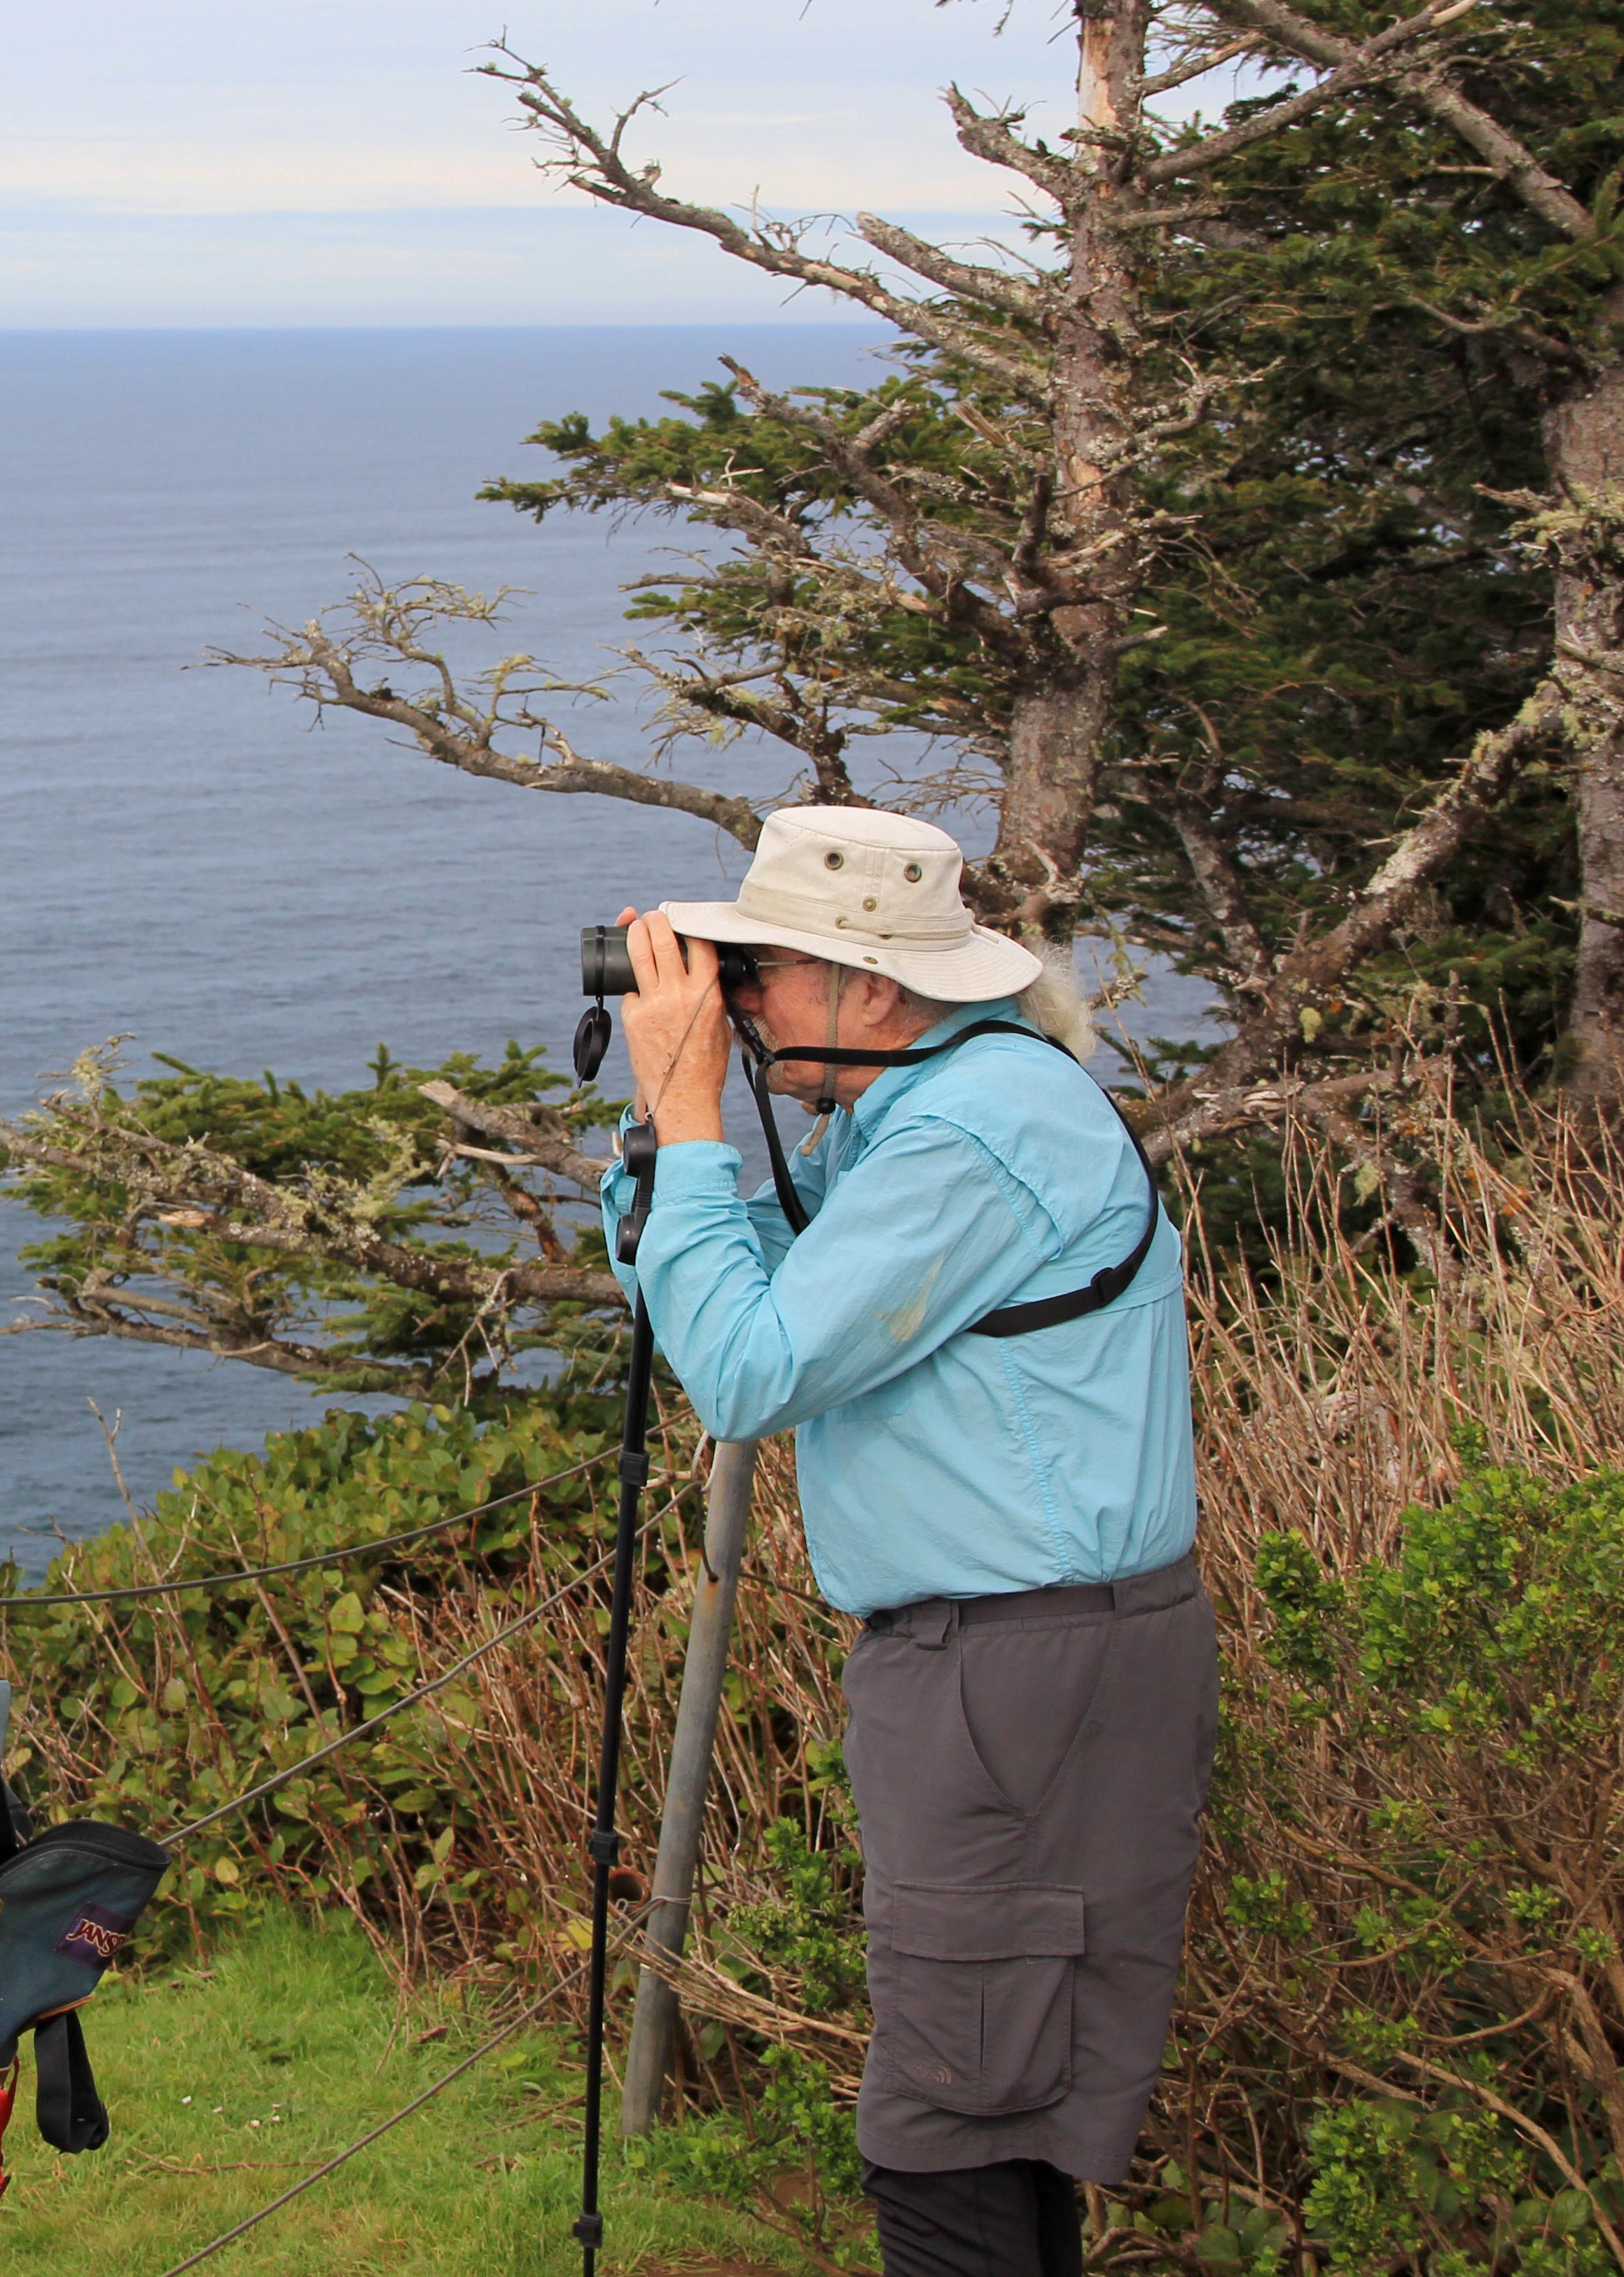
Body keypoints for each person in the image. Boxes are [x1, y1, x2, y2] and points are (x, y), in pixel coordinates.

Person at [599, 803, 1212, 2277]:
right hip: (1026, 1657)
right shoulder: (943, 1110)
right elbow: (768, 1330)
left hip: (1016, 1672)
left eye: (763, 967)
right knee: (1005, 2099)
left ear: (875, 985)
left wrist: (689, 1123)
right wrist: (658, 1167)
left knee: (944, 2119)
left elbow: (747, 1376)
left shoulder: (973, 1135)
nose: (737, 996)